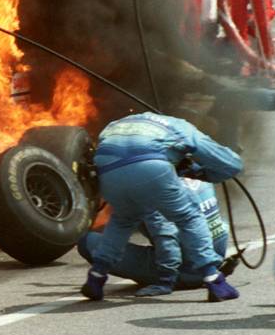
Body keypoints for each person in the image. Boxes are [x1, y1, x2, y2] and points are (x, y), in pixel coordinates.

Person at [80, 112, 242, 302]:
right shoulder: (180, 126)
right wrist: (166, 281)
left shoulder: (116, 124)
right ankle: (215, 281)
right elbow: (230, 164)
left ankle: (96, 278)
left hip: (108, 171)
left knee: (122, 220)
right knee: (188, 218)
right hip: (151, 168)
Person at [78, 177, 228, 296]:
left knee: (89, 243)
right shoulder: (195, 168)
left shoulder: (147, 185)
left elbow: (166, 237)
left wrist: (165, 281)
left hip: (188, 268)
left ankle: (185, 276)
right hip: (216, 253)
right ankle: (209, 270)